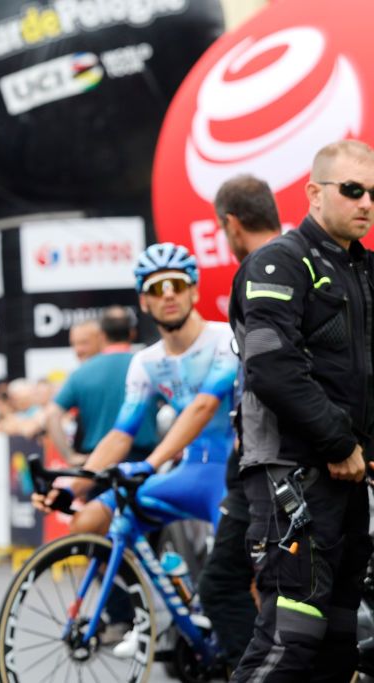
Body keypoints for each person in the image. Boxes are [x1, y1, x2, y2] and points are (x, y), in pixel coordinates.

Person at [230, 140, 374, 681]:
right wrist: (341, 444)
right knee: (292, 637)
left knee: (339, 645)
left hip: (351, 479)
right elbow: (273, 370)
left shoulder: (366, 270)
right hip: (289, 472)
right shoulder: (277, 262)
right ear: (314, 193)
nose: (366, 203)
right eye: (354, 190)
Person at [35, 243, 238, 537]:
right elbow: (120, 435)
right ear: (144, 302)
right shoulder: (147, 362)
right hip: (187, 472)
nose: (168, 293)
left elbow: (203, 407)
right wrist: (72, 486)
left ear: (194, 291)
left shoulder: (225, 339)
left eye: (177, 285)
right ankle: (138, 583)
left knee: (237, 577)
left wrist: (149, 465)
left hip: (231, 475)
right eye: (157, 288)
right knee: (87, 521)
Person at [194, 174, 281, 669]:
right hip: (275, 457)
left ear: (229, 223)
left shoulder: (260, 269)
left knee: (230, 584)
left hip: (266, 460)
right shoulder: (299, 259)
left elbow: (269, 374)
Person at [43, 306, 158, 466]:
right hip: (143, 464)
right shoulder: (150, 366)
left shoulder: (81, 373)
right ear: (132, 333)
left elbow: (51, 415)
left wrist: (71, 457)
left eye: (83, 343)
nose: (78, 350)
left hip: (97, 465)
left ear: (102, 336)